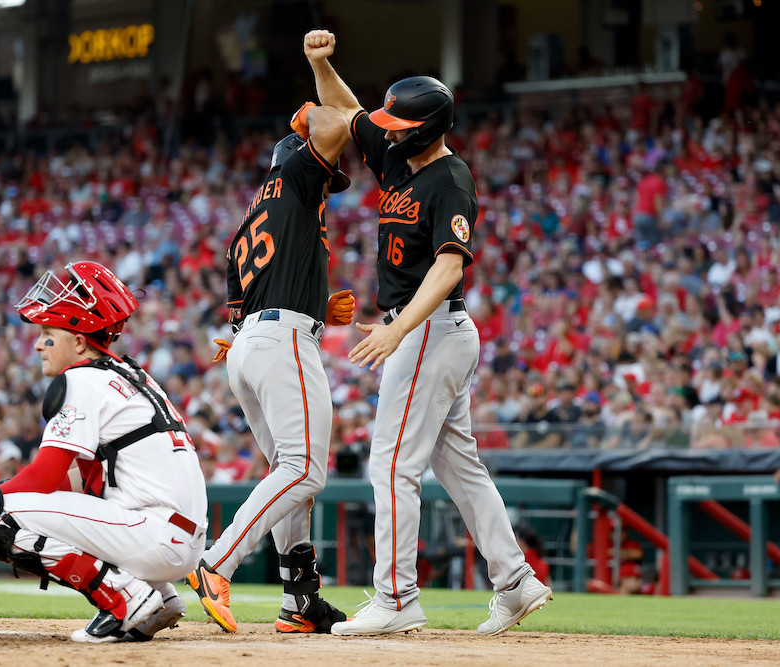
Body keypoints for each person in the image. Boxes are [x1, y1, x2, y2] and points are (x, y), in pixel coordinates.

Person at [304, 29, 552, 636]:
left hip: (431, 330)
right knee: (460, 467)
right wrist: (321, 63)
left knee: (391, 464)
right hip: (428, 332)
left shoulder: (451, 179)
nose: (386, 129)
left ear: (425, 128)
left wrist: (398, 332)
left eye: (399, 123)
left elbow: (448, 265)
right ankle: (516, 582)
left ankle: (395, 598)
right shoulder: (399, 154)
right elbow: (346, 111)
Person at [0, 261, 207, 644]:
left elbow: (44, 477)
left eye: (47, 333)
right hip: (178, 539)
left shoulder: (82, 379)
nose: (38, 343)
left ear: (78, 341)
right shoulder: (129, 375)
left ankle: (125, 598)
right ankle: (158, 600)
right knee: (13, 502)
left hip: (153, 532)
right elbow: (80, 483)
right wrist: (9, 488)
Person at [185, 100, 354, 634]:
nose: (331, 184)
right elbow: (341, 121)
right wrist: (318, 90)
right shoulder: (297, 175)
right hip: (282, 341)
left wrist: (317, 304)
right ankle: (218, 562)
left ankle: (300, 600)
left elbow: (248, 303)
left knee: (289, 469)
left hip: (249, 346)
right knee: (304, 470)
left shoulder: (247, 225)